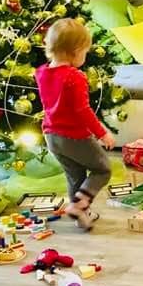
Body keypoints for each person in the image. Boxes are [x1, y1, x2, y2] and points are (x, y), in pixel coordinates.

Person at [36, 18, 113, 229]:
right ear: (76, 51)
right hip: (74, 136)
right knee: (103, 169)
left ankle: (81, 217)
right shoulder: (74, 76)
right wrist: (102, 133)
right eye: (85, 52)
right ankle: (79, 206)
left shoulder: (41, 72)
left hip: (51, 136)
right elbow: (83, 110)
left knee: (75, 177)